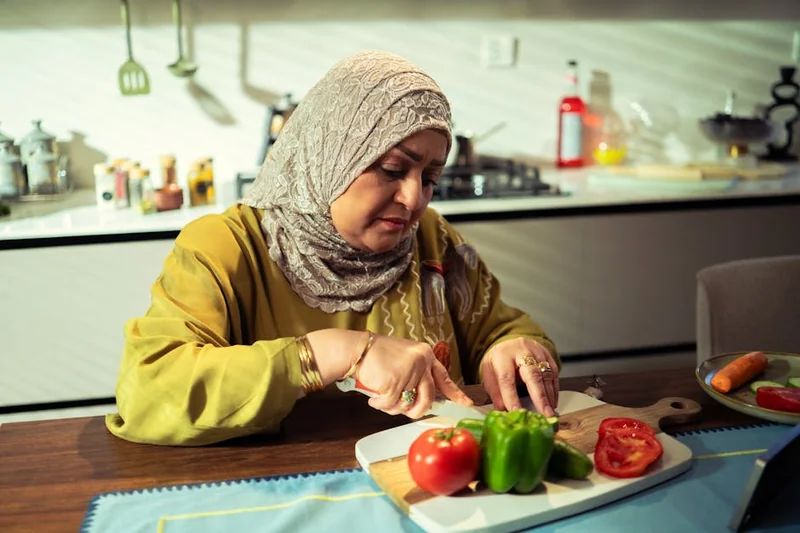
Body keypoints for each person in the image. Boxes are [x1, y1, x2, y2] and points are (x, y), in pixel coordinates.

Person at [105, 50, 560, 447]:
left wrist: (516, 350)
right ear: (331, 154)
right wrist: (336, 352)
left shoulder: (431, 238)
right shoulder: (227, 247)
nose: (413, 198)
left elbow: (499, 331)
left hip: (425, 484)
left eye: (431, 177)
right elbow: (149, 391)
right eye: (392, 168)